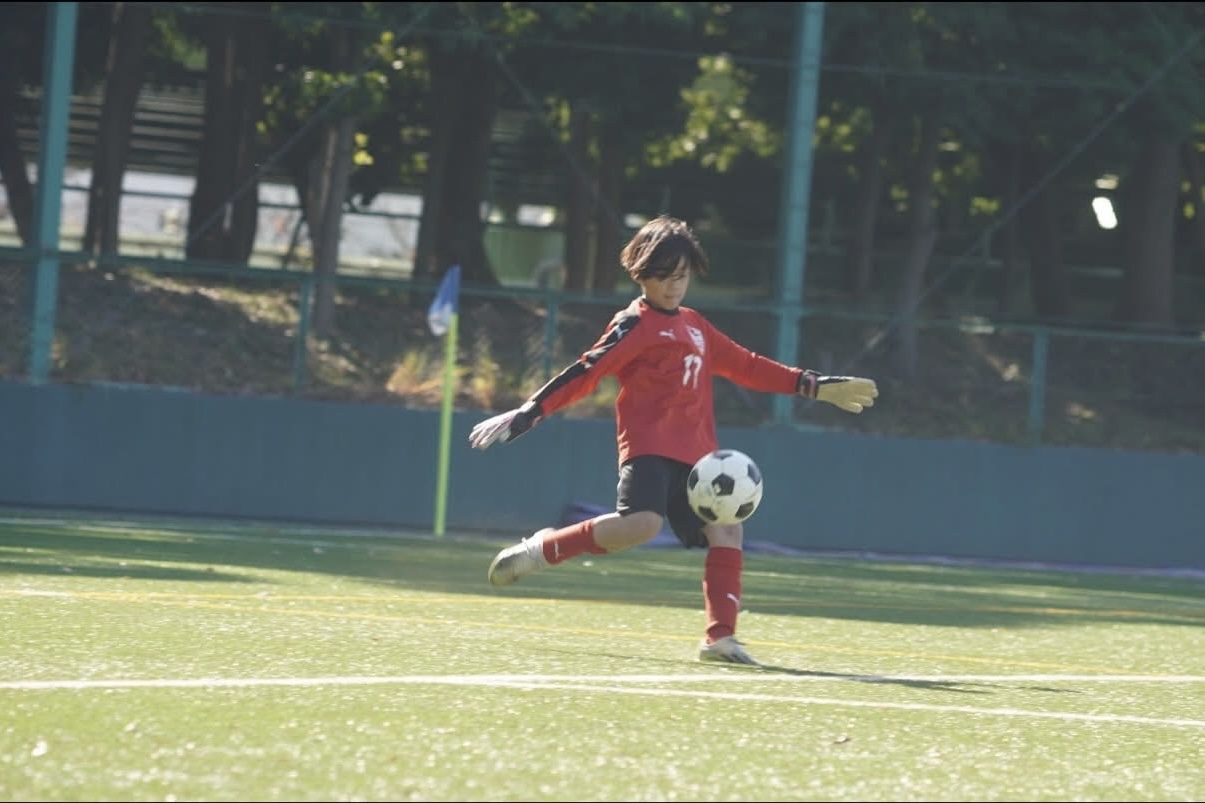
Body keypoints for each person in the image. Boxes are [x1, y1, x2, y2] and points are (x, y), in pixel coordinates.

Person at [468, 215, 878, 666]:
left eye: (681, 276)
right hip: (649, 446)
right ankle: (541, 550)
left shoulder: (696, 325)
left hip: (700, 459)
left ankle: (720, 639)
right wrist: (531, 410)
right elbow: (587, 372)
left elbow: (747, 364)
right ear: (641, 273)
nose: (673, 286)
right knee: (642, 525)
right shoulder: (634, 324)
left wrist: (810, 384)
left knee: (728, 529)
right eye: (663, 276)